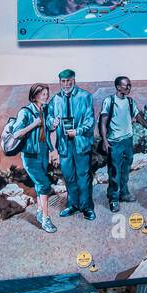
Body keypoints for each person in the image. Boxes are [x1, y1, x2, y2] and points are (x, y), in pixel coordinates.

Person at [47, 68, 96, 220]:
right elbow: (48, 118)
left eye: (69, 81)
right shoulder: (55, 100)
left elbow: (90, 120)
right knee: (69, 176)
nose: (66, 84)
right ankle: (72, 205)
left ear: (74, 80)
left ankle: (87, 207)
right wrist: (52, 122)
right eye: (63, 81)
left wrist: (78, 131)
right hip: (64, 145)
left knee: (83, 176)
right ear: (60, 82)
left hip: (81, 143)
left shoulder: (85, 96)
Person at [7, 83, 56, 233]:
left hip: (43, 151)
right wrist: (33, 125)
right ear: (34, 96)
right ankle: (46, 219)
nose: (46, 96)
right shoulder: (25, 112)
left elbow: (46, 128)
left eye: (47, 94)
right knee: (44, 184)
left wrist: (53, 125)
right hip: (30, 155)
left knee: (39, 184)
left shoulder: (44, 109)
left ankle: (40, 212)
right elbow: (16, 134)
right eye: (43, 94)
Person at [98, 75, 142, 213]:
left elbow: (139, 117)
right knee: (115, 171)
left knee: (126, 169)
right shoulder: (109, 101)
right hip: (114, 143)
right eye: (126, 85)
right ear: (118, 87)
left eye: (129, 85)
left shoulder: (130, 102)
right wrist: (105, 141)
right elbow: (103, 122)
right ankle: (114, 198)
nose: (129, 87)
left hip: (128, 141)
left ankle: (124, 193)